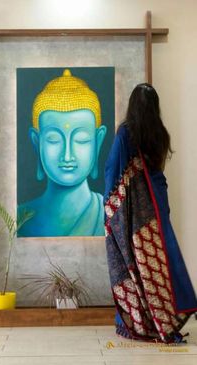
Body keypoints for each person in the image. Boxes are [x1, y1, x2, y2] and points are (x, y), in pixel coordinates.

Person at [104, 83, 197, 343]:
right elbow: (157, 172)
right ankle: (163, 321)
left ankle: (138, 323)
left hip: (132, 211)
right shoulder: (160, 133)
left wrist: (109, 210)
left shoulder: (124, 133)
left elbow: (112, 170)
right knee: (156, 265)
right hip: (156, 205)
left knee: (131, 265)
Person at [18, 69, 107, 237]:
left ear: (98, 141)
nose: (67, 156)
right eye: (53, 139)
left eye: (81, 139)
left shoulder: (110, 214)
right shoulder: (19, 219)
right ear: (37, 143)